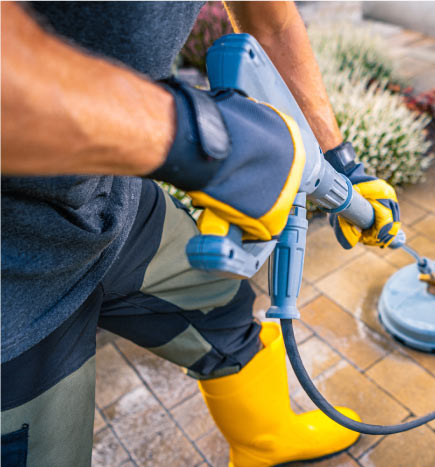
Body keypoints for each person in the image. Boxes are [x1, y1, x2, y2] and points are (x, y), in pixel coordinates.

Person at [0, 2, 401, 466]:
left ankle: (265, 440)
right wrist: (201, 139)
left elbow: (272, 23)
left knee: (219, 304)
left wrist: (341, 163)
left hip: (108, 196)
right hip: (13, 277)